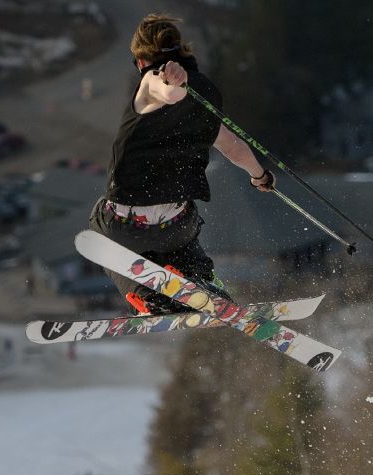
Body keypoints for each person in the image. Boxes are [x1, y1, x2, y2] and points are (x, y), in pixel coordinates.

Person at [88, 13, 275, 315]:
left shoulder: (151, 81)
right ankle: (202, 281)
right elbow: (233, 147)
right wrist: (259, 175)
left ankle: (146, 295)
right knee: (183, 228)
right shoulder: (204, 95)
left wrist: (174, 83)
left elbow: (168, 92)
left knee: (98, 226)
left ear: (140, 59)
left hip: (126, 223)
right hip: (177, 223)